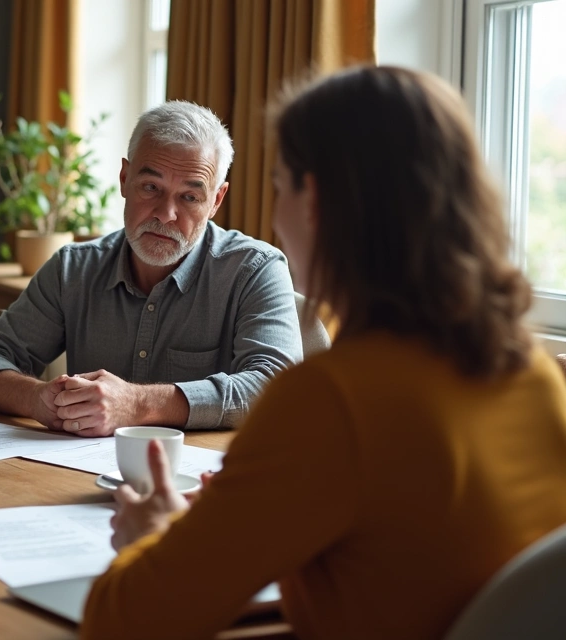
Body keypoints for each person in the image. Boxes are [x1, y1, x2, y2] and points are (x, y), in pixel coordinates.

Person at [82, 66, 566, 640]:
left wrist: (155, 534)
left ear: (315, 202)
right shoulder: (533, 373)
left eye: (281, 182)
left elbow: (124, 621)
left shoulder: (330, 402)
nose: (275, 215)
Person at [0, 101, 302, 435]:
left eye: (190, 197)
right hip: (75, 477)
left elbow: (279, 388)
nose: (166, 214)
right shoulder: (73, 269)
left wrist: (138, 405)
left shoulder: (255, 270)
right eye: (151, 187)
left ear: (216, 200)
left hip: (208, 484)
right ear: (124, 178)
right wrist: (37, 398)